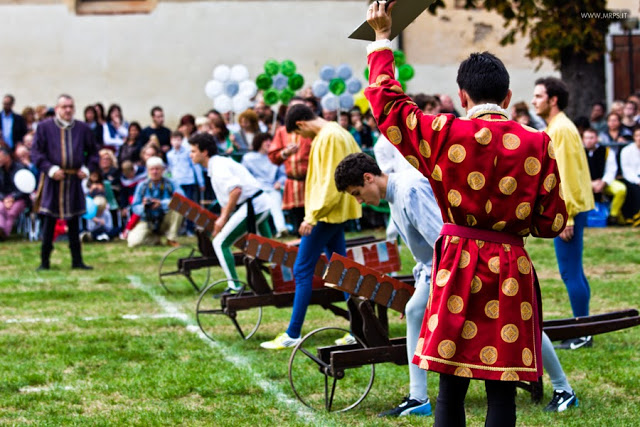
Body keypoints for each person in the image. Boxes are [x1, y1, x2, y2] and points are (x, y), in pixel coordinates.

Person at [365, 4, 567, 426]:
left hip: (456, 265)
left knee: (449, 388)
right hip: (510, 269)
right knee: (501, 392)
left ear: (462, 96)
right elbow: (551, 222)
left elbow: (390, 108)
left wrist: (383, 39)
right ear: (508, 98)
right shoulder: (538, 143)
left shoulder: (444, 132)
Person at [335, 152, 442, 417]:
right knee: (416, 311)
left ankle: (562, 387)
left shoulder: (410, 191)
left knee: (510, 322)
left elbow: (442, 241)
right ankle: (418, 398)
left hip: (453, 265)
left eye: (357, 193)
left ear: (369, 178)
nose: (360, 201)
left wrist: (441, 286)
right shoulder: (394, 194)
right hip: (434, 268)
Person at [260, 104, 361, 350]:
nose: (301, 139)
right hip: (334, 212)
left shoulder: (328, 137)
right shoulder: (338, 132)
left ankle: (293, 333)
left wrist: (312, 217)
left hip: (325, 214)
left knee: (302, 270)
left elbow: (329, 182)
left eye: (299, 133)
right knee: (341, 270)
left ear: (301, 124)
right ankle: (358, 330)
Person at [532, 77, 595, 349]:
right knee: (574, 271)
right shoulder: (559, 126)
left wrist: (566, 216)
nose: (534, 101)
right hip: (573, 209)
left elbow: (565, 174)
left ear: (553, 99)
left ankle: (582, 333)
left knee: (570, 272)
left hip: (570, 211)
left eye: (538, 96)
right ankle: (584, 328)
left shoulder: (561, 129)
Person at [189, 133, 273, 289]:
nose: (191, 154)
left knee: (220, 243)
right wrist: (223, 219)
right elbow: (227, 198)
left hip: (255, 206)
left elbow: (235, 190)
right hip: (258, 204)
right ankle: (281, 275)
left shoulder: (218, 166)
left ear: (205, 152)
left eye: (193, 151)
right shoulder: (217, 165)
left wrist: (222, 218)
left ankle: (234, 286)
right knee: (271, 248)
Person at [31, 94, 99, 270]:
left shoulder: (82, 128)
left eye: (70, 106)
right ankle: (44, 262)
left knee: (74, 221)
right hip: (53, 181)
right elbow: (36, 153)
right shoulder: (44, 127)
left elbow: (94, 153)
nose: (68, 110)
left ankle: (77, 261)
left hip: (73, 180)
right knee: (49, 222)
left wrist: (86, 169)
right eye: (64, 107)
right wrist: (51, 169)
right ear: (57, 108)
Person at [268, 97, 313, 234]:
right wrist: (285, 153)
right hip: (292, 182)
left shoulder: (312, 129)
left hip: (311, 181)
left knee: (313, 219)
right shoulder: (282, 131)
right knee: (297, 220)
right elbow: (273, 157)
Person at [241, 132, 289, 237]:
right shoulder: (248, 158)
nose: (268, 143)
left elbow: (283, 175)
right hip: (256, 190)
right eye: (265, 140)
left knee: (275, 204)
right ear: (259, 142)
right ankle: (258, 234)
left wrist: (279, 182)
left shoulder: (275, 157)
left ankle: (281, 228)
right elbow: (244, 175)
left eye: (270, 140)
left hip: (272, 188)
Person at [127, 156, 181, 247]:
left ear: (163, 170)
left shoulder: (171, 183)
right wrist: (144, 206)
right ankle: (154, 239)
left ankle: (171, 238)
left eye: (157, 169)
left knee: (179, 207)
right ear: (148, 171)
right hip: (147, 220)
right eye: (152, 169)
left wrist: (161, 203)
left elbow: (181, 199)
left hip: (165, 218)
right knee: (133, 243)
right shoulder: (142, 185)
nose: (154, 172)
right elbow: (135, 206)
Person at [582, 128, 627, 225]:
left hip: (604, 182)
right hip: (584, 184)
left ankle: (613, 216)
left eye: (591, 138)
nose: (588, 140)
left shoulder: (606, 151)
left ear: (596, 139)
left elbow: (611, 170)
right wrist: (589, 183)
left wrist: (603, 182)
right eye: (586, 138)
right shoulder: (578, 152)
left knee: (621, 189)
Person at [166, 130, 204, 235]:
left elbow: (195, 166)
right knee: (178, 206)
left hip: (188, 181)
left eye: (178, 140)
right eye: (174, 140)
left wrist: (201, 182)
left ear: (182, 141)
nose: (176, 142)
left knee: (189, 206)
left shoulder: (188, 152)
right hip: (176, 182)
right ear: (170, 141)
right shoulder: (169, 155)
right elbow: (170, 169)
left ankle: (190, 228)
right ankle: (179, 228)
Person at [0, 147, 29, 239]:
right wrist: (4, 199)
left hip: (19, 198)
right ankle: (1, 230)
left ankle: (5, 234)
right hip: (3, 198)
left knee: (11, 212)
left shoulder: (21, 168)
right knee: (0, 208)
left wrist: (13, 198)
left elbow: (26, 188)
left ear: (7, 157)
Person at [619, 127, 640, 226]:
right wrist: (637, 180)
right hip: (630, 179)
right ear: (634, 137)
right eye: (637, 135)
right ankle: (635, 218)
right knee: (634, 189)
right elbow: (626, 170)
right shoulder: (626, 150)